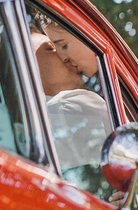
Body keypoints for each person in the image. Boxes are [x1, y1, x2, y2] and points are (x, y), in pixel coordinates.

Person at [32, 32, 110, 185]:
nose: (65, 56)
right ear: (25, 64)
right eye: (51, 48)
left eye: (64, 46)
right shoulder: (72, 103)